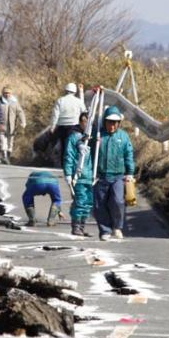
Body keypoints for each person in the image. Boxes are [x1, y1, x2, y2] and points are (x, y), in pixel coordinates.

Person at [93, 106, 135, 241]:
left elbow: (128, 154)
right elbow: (87, 151)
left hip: (118, 176)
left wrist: (130, 173)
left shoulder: (123, 136)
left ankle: (117, 227)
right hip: (100, 176)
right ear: (104, 121)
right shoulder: (98, 135)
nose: (112, 125)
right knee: (100, 205)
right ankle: (105, 230)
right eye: (110, 122)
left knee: (118, 201)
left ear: (119, 123)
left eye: (115, 122)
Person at [63, 112, 93, 237]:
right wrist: (68, 174)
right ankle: (76, 226)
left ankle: (82, 226)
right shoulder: (73, 137)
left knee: (88, 202)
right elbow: (69, 156)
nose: (86, 124)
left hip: (89, 175)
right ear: (80, 122)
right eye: (84, 121)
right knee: (80, 201)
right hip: (78, 175)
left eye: (88, 122)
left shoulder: (90, 137)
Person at [48, 82, 86, 162]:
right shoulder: (78, 101)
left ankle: (64, 166)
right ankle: (73, 164)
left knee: (64, 146)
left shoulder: (60, 100)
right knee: (74, 146)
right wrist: (81, 92)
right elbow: (84, 111)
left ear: (65, 90)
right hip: (75, 127)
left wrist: (52, 127)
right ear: (75, 92)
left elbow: (55, 115)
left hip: (62, 127)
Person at [0, 86, 26, 165]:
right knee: (3, 142)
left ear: (11, 93)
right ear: (2, 93)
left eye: (8, 93)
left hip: (12, 127)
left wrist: (23, 122)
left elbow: (20, 112)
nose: (7, 94)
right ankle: (4, 157)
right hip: (1, 126)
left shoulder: (15, 103)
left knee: (10, 144)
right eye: (5, 93)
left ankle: (8, 157)